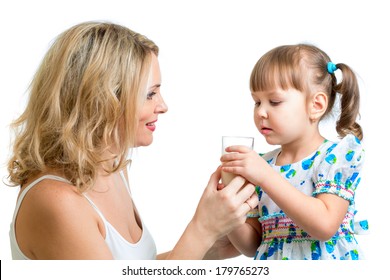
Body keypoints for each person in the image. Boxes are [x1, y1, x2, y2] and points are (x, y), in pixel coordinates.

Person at [7, 21, 258, 260]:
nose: (163, 106)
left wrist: (210, 248)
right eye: (150, 94)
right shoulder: (57, 201)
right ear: (101, 101)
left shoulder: (113, 169)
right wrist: (202, 230)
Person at [220, 44, 369, 260]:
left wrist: (264, 176)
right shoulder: (263, 164)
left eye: (274, 102)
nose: (261, 112)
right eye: (256, 102)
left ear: (315, 105)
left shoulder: (334, 156)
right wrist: (230, 211)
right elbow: (254, 245)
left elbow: (324, 225)